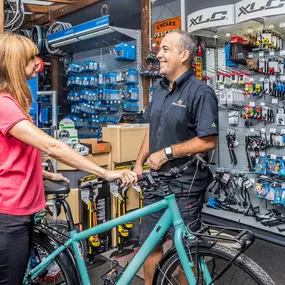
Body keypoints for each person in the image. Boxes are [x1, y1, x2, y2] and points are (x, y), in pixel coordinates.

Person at [0, 33, 137, 285]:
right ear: (17, 63)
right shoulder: (4, 105)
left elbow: (9, 157)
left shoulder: (13, 104)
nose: (37, 62)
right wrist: (104, 173)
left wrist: (45, 174)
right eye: (31, 58)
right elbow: (52, 146)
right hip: (9, 214)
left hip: (22, 209)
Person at [133, 30, 218, 285]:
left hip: (185, 186)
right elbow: (152, 129)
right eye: (159, 49)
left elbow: (209, 140)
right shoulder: (158, 90)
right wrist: (139, 163)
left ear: (184, 55)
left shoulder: (200, 92)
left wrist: (167, 153)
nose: (158, 54)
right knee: (150, 246)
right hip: (155, 184)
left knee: (186, 252)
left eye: (165, 49)